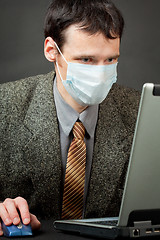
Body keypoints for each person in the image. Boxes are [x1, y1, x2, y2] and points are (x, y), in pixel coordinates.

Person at [0, 0, 140, 236]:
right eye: (86, 60)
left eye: (111, 60)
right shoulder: (4, 106)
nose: (100, 73)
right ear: (51, 51)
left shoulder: (140, 110)